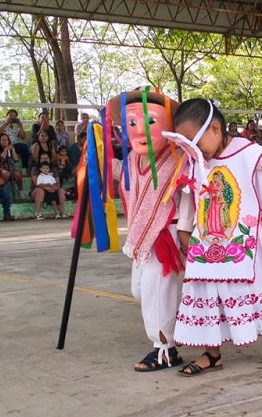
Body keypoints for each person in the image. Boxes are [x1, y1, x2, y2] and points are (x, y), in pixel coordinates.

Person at [166, 98, 262, 376]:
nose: (192, 150)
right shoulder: (197, 160)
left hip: (243, 240)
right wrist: (184, 231)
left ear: (214, 129)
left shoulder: (246, 151)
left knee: (256, 287)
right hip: (207, 242)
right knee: (206, 292)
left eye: (194, 142)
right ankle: (211, 354)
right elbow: (191, 194)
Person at [103, 87, 193, 372]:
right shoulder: (132, 159)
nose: (140, 130)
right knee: (140, 291)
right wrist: (96, 159)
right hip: (142, 237)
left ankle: (163, 349)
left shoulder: (179, 157)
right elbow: (121, 173)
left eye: (150, 121)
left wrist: (185, 231)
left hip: (166, 235)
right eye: (132, 123)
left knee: (156, 291)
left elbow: (189, 194)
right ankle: (170, 336)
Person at [0, 133, 23, 198]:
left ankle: (21, 193)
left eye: (6, 140)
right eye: (2, 140)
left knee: (18, 174)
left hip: (10, 169)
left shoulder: (11, 149)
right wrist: (5, 150)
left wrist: (13, 150)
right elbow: (0, 159)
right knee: (6, 174)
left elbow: (16, 159)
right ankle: (0, 192)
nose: (5, 141)